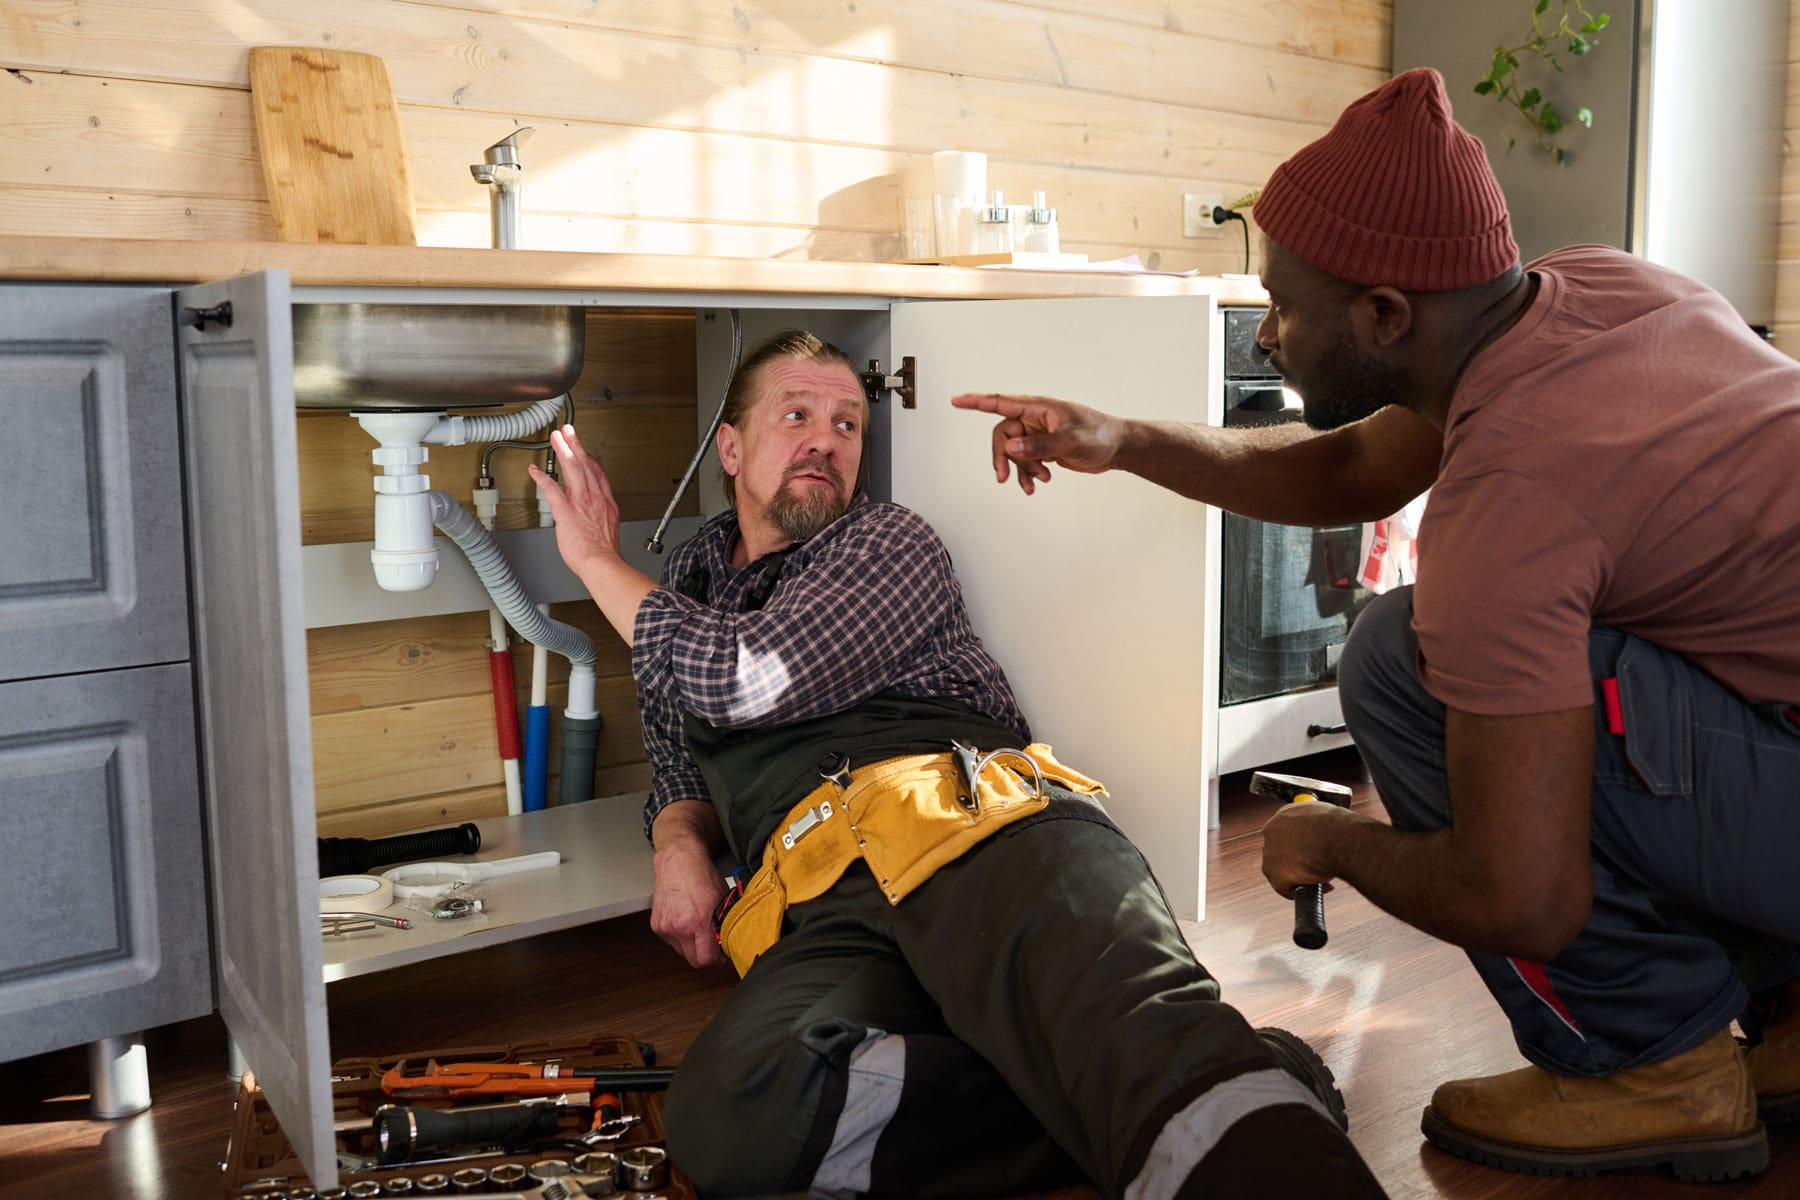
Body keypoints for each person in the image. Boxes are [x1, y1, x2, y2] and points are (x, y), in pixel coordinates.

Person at [953, 66, 1800, 1184]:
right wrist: (1126, 440)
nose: (1268, 335)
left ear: (1388, 316)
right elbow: (1357, 465)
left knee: (1400, 662)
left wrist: (1332, 841)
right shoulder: (1598, 287)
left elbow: (1520, 896)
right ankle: (1790, 1015)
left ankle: (1655, 1069)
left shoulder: (1512, 501)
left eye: (1283, 305)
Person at [526, 330, 1385, 1198]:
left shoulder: (886, 543)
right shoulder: (686, 584)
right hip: (821, 896)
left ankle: (1175, 1081)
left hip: (979, 831)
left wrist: (595, 559)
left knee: (1146, 1036)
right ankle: (1135, 1084)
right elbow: (678, 759)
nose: (826, 440)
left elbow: (741, 678)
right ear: (731, 448)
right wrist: (678, 844)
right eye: (796, 416)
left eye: (847, 424)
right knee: (732, 1116)